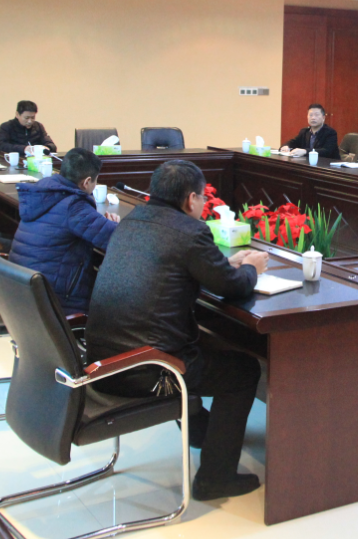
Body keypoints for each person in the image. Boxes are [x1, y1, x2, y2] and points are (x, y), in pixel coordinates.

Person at [86, 159, 270, 501]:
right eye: (202, 198)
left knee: (203, 349)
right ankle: (216, 479)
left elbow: (171, 266)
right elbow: (233, 287)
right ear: (190, 199)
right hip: (147, 370)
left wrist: (221, 264)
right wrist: (250, 268)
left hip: (103, 360)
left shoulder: (132, 220)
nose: (203, 204)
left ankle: (202, 433)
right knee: (244, 371)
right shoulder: (190, 231)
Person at [9, 148, 120, 315]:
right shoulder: (75, 206)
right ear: (86, 182)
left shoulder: (44, 193)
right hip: (53, 301)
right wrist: (113, 225)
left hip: (20, 293)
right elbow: (117, 240)